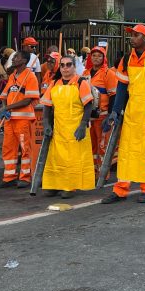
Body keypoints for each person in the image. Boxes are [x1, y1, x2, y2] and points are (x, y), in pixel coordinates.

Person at [101, 25, 145, 204]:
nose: (132, 38)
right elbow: (122, 88)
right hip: (132, 112)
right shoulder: (126, 59)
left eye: (136, 35)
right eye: (131, 35)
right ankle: (120, 189)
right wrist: (115, 112)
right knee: (126, 151)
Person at [39, 55, 95, 198]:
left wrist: (83, 125)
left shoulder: (81, 82)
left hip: (75, 129)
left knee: (72, 160)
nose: (65, 68)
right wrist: (46, 124)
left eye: (69, 65)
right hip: (59, 129)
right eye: (62, 65)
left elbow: (88, 105)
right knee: (56, 159)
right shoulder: (54, 83)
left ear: (74, 67)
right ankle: (54, 185)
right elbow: (46, 105)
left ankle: (69, 187)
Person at [0, 51, 40, 188]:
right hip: (10, 119)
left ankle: (25, 177)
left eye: (17, 57)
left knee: (25, 148)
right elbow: (4, 96)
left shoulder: (30, 76)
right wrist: (5, 108)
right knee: (8, 148)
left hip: (23, 119)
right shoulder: (12, 76)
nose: (13, 59)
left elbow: (27, 100)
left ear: (25, 60)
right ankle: (9, 177)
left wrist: (8, 108)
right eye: (13, 57)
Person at [86, 46, 116, 174]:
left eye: (99, 55)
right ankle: (93, 171)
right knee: (90, 145)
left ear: (104, 58)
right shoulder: (85, 73)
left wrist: (110, 115)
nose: (96, 58)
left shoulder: (108, 73)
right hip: (88, 117)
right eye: (93, 55)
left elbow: (113, 96)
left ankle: (104, 173)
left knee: (102, 145)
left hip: (102, 117)